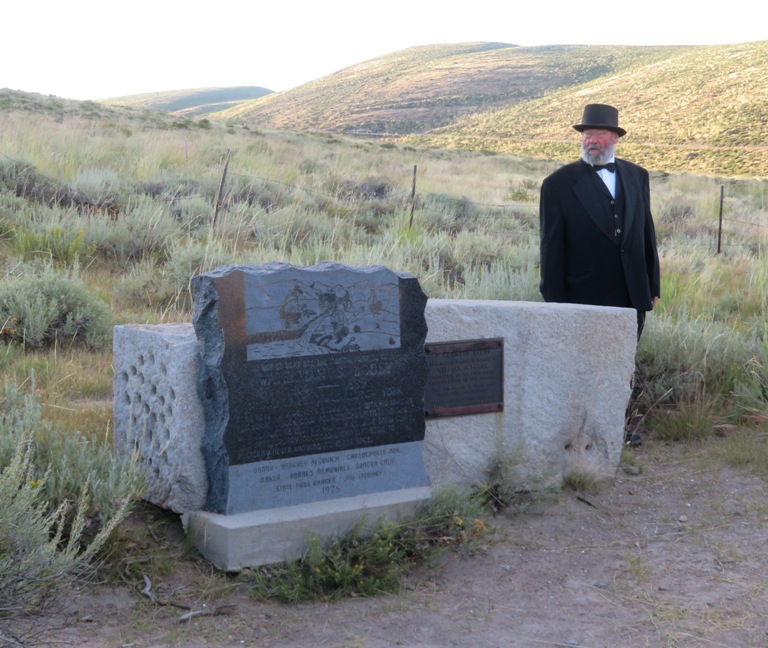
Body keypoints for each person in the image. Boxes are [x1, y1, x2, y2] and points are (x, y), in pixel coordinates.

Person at [538, 103, 660, 445]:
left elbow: (645, 232)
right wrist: (556, 302)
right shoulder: (558, 184)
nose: (592, 140)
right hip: (583, 294)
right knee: (583, 366)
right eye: (587, 134)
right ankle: (578, 433)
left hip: (631, 292)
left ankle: (615, 429)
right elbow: (551, 248)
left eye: (599, 133)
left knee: (622, 365)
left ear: (614, 138)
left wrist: (651, 283)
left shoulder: (638, 176)